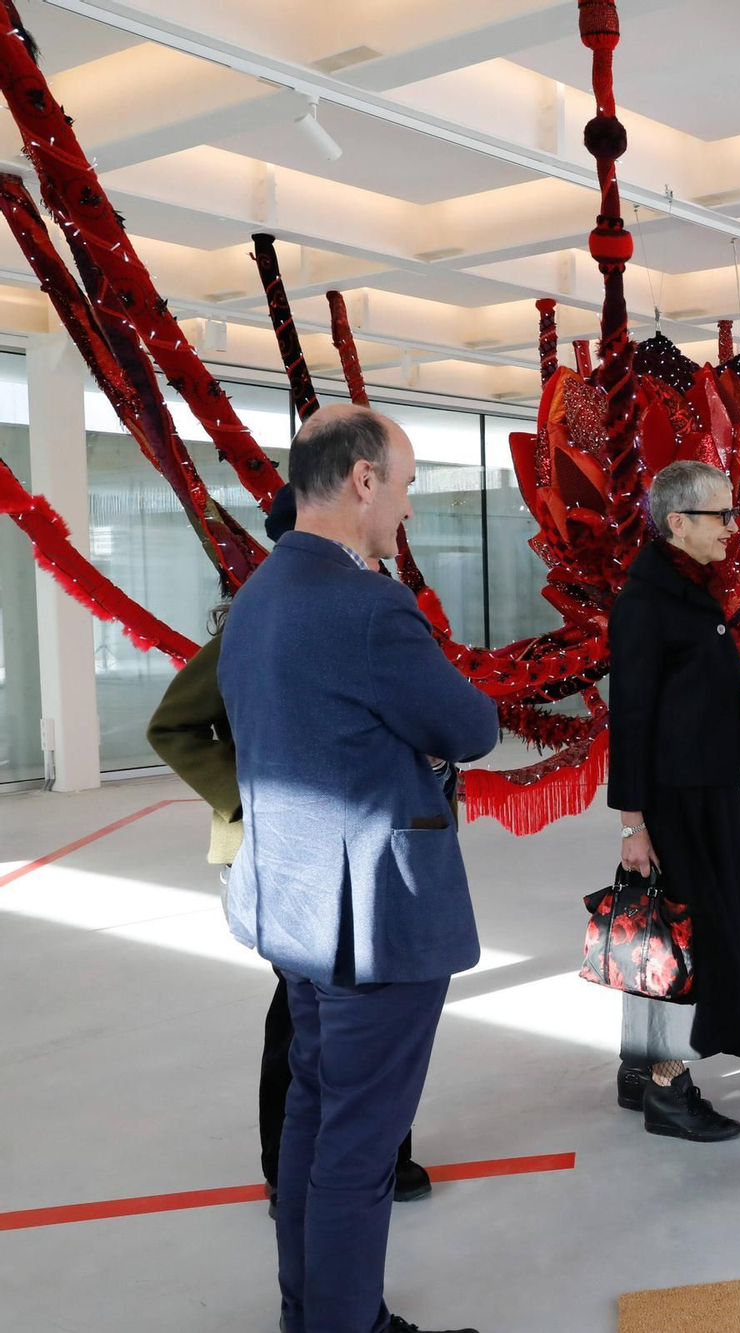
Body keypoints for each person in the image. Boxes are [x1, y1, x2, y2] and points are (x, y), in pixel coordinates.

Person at [221, 406, 496, 1333]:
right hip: (372, 918)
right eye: (408, 485)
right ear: (363, 480)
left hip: (292, 907)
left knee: (313, 1117)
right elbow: (470, 726)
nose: (408, 509)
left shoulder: (259, 593)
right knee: (358, 1147)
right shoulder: (368, 603)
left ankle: (318, 1314)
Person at [147, 485, 431, 1218]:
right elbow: (175, 727)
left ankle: (380, 1151)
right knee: (302, 1013)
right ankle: (286, 1162)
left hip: (363, 843)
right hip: (279, 846)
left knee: (363, 1002)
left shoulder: (371, 610)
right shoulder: (259, 622)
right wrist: (245, 795)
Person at [608, 460, 740, 1142]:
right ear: (677, 522)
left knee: (666, 931)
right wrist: (632, 823)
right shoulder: (649, 600)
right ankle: (670, 1088)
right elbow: (631, 714)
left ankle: (641, 1069)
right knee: (684, 937)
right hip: (678, 800)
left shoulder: (687, 587)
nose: (733, 526)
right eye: (720, 515)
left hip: (706, 788)